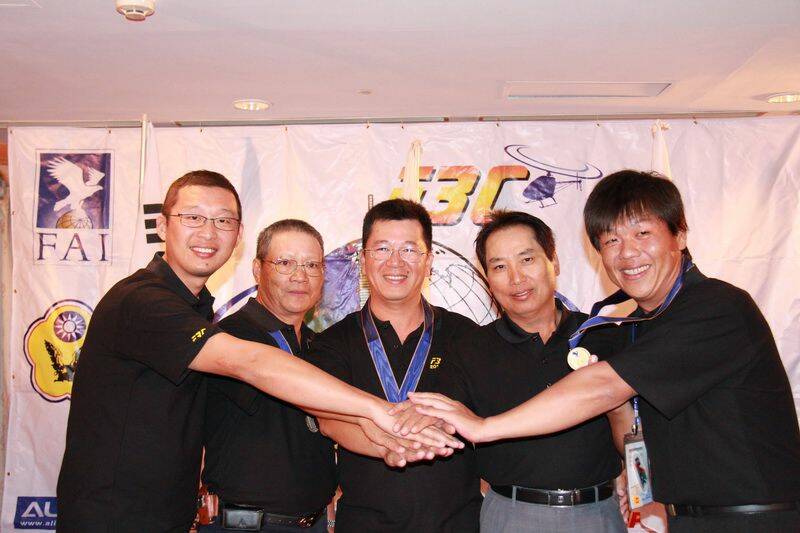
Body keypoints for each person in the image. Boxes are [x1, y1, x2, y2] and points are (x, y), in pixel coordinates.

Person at [410, 170, 800, 532]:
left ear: (679, 235)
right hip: (684, 517)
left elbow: (603, 386)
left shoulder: (714, 307)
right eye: (611, 240)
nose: (627, 253)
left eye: (642, 233)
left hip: (750, 518)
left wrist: (485, 427)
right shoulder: (641, 324)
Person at [56, 171, 443, 533]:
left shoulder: (202, 314)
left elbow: (324, 418)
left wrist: (388, 441)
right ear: (161, 225)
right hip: (116, 518)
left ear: (238, 234)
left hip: (168, 516)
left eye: (223, 221)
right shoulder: (143, 301)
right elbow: (252, 363)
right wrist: (378, 409)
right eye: (193, 217)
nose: (209, 232)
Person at [304, 199, 483, 532]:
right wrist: (391, 446)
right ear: (363, 261)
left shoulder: (468, 336)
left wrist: (448, 415)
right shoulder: (332, 342)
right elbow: (329, 420)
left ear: (429, 261)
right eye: (382, 249)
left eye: (410, 250)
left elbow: (484, 417)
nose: (396, 262)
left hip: (457, 522)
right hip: (365, 522)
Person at [447, 210, 629, 532]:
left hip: (598, 513)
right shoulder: (470, 348)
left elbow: (633, 436)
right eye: (499, 267)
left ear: (553, 262)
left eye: (527, 259)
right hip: (511, 515)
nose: (516, 278)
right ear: (487, 279)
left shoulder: (603, 335)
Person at [199, 220, 336, 532]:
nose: (300, 276)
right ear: (257, 269)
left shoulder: (319, 346)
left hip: (314, 522)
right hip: (246, 525)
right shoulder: (228, 340)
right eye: (285, 263)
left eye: (311, 265)